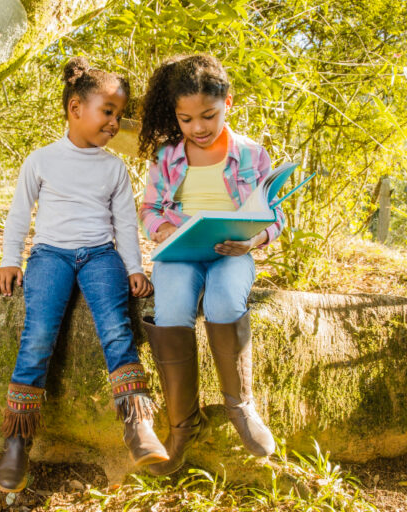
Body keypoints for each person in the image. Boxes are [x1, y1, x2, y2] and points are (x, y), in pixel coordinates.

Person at [0, 57, 168, 493]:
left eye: (119, 115)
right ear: (75, 109)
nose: (114, 122)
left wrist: (134, 268)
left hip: (101, 256)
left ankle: (138, 425)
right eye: (108, 112)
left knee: (117, 330)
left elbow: (125, 223)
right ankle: (16, 441)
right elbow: (18, 216)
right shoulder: (42, 160)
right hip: (50, 256)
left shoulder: (113, 168)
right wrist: (11, 259)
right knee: (38, 336)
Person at [137, 54, 284, 475]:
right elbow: (149, 209)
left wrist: (254, 239)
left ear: (228, 104)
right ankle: (183, 424)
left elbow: (275, 215)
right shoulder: (167, 156)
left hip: (231, 255)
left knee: (222, 301)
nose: (198, 128)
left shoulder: (253, 155)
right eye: (186, 119)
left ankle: (240, 406)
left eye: (209, 115)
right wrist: (163, 230)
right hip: (181, 254)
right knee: (172, 309)